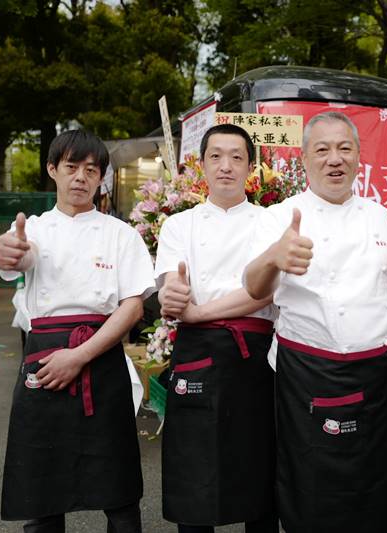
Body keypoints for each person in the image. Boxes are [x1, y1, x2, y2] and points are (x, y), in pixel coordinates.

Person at [243, 111, 387, 533]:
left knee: (373, 477)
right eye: (322, 149)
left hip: (373, 371)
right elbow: (254, 288)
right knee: (309, 479)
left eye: (344, 148)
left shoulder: (379, 215)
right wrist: (274, 257)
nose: (335, 158)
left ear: (358, 156)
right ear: (304, 159)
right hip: (306, 371)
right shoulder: (279, 216)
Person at [0, 130, 155, 533]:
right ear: (52, 170)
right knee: (41, 490)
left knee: (119, 490)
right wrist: (10, 251)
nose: (81, 177)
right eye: (71, 167)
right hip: (45, 361)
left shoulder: (121, 234)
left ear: (101, 177)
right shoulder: (33, 229)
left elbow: (133, 306)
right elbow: (20, 255)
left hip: (101, 357)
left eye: (91, 170)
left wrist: (80, 356)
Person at [155, 124, 278, 533]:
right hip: (198, 354)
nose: (226, 166)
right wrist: (172, 297)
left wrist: (197, 312)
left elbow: (263, 293)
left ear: (251, 167)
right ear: (202, 165)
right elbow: (172, 284)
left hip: (255, 355)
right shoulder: (179, 225)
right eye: (216, 156)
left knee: (258, 462)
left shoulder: (271, 222)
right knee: (194, 462)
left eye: (236, 157)